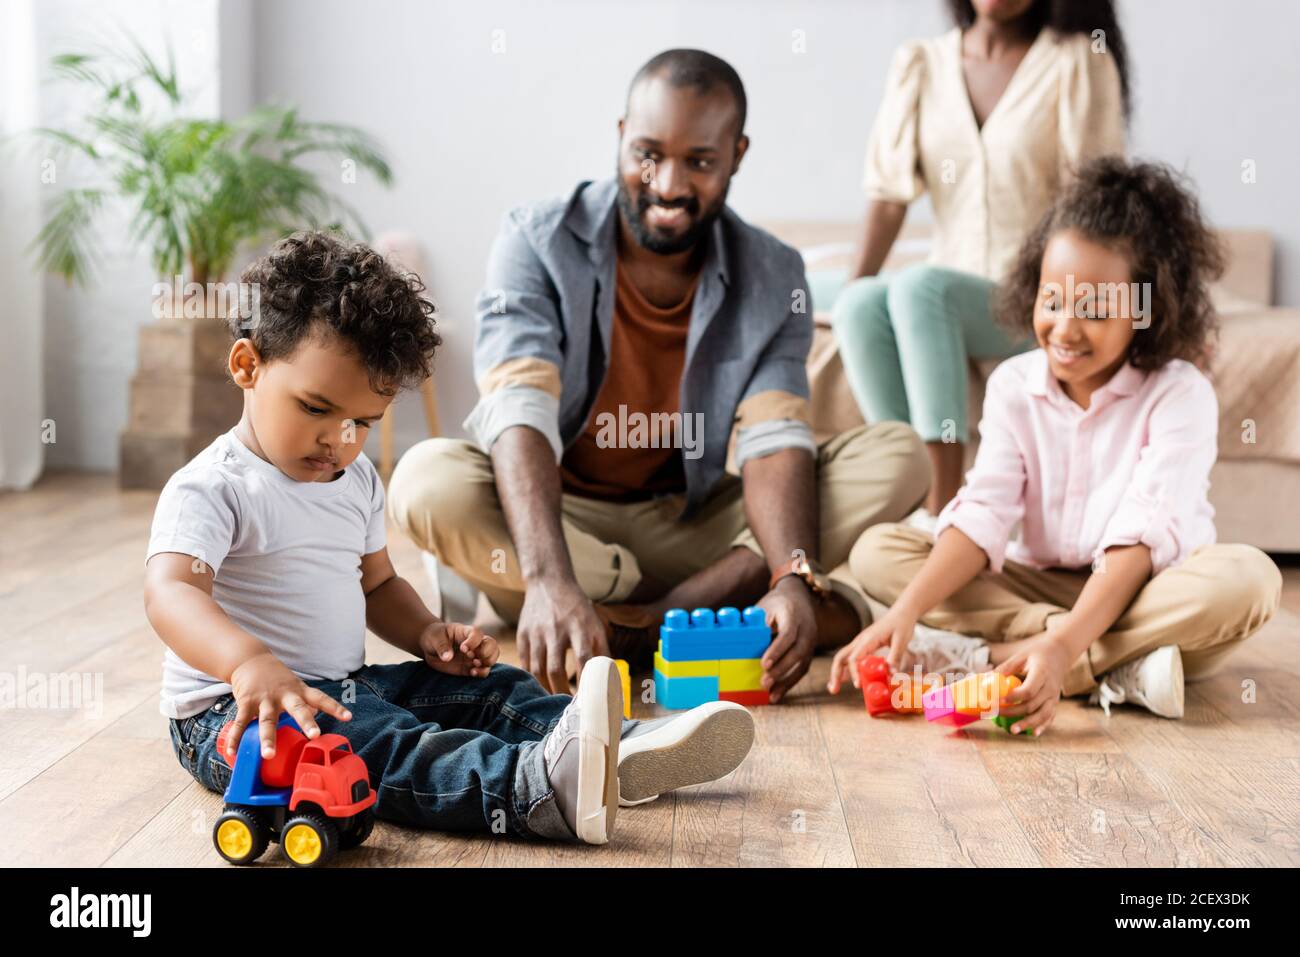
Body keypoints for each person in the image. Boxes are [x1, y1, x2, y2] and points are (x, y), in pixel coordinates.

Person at [144, 231, 754, 846]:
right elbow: (170, 593)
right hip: (238, 715)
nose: (341, 441)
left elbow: (377, 582)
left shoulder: (353, 478)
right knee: (384, 744)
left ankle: (611, 745)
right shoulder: (214, 487)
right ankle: (531, 787)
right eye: (316, 408)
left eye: (363, 423)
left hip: (346, 685)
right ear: (248, 366)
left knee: (493, 689)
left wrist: (426, 633)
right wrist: (248, 664)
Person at [388, 49, 928, 704]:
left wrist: (789, 571)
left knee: (901, 456)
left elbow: (774, 438)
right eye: (649, 153)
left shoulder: (773, 273)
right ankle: (680, 605)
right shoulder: (534, 240)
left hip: (688, 521)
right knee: (423, 481)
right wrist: (550, 575)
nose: (669, 184)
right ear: (620, 138)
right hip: (562, 519)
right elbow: (518, 408)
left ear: (736, 154)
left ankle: (641, 620)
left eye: (700, 160)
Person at [828, 158, 1282, 735]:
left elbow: (1143, 533)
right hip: (1032, 582)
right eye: (1053, 300)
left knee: (1246, 580)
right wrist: (903, 614)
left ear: (1146, 310)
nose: (1066, 329)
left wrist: (1064, 645)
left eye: (1094, 310)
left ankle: (998, 658)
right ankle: (1119, 665)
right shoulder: (1014, 385)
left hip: (1141, 587)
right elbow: (984, 512)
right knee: (877, 551)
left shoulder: (1179, 393)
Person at [830, 0, 1128, 519]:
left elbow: (1096, 205)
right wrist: (853, 290)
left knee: (920, 288)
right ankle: (904, 499)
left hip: (1034, 295)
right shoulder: (921, 63)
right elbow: (887, 197)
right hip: (945, 285)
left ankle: (945, 512)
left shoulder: (1077, 62)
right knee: (858, 303)